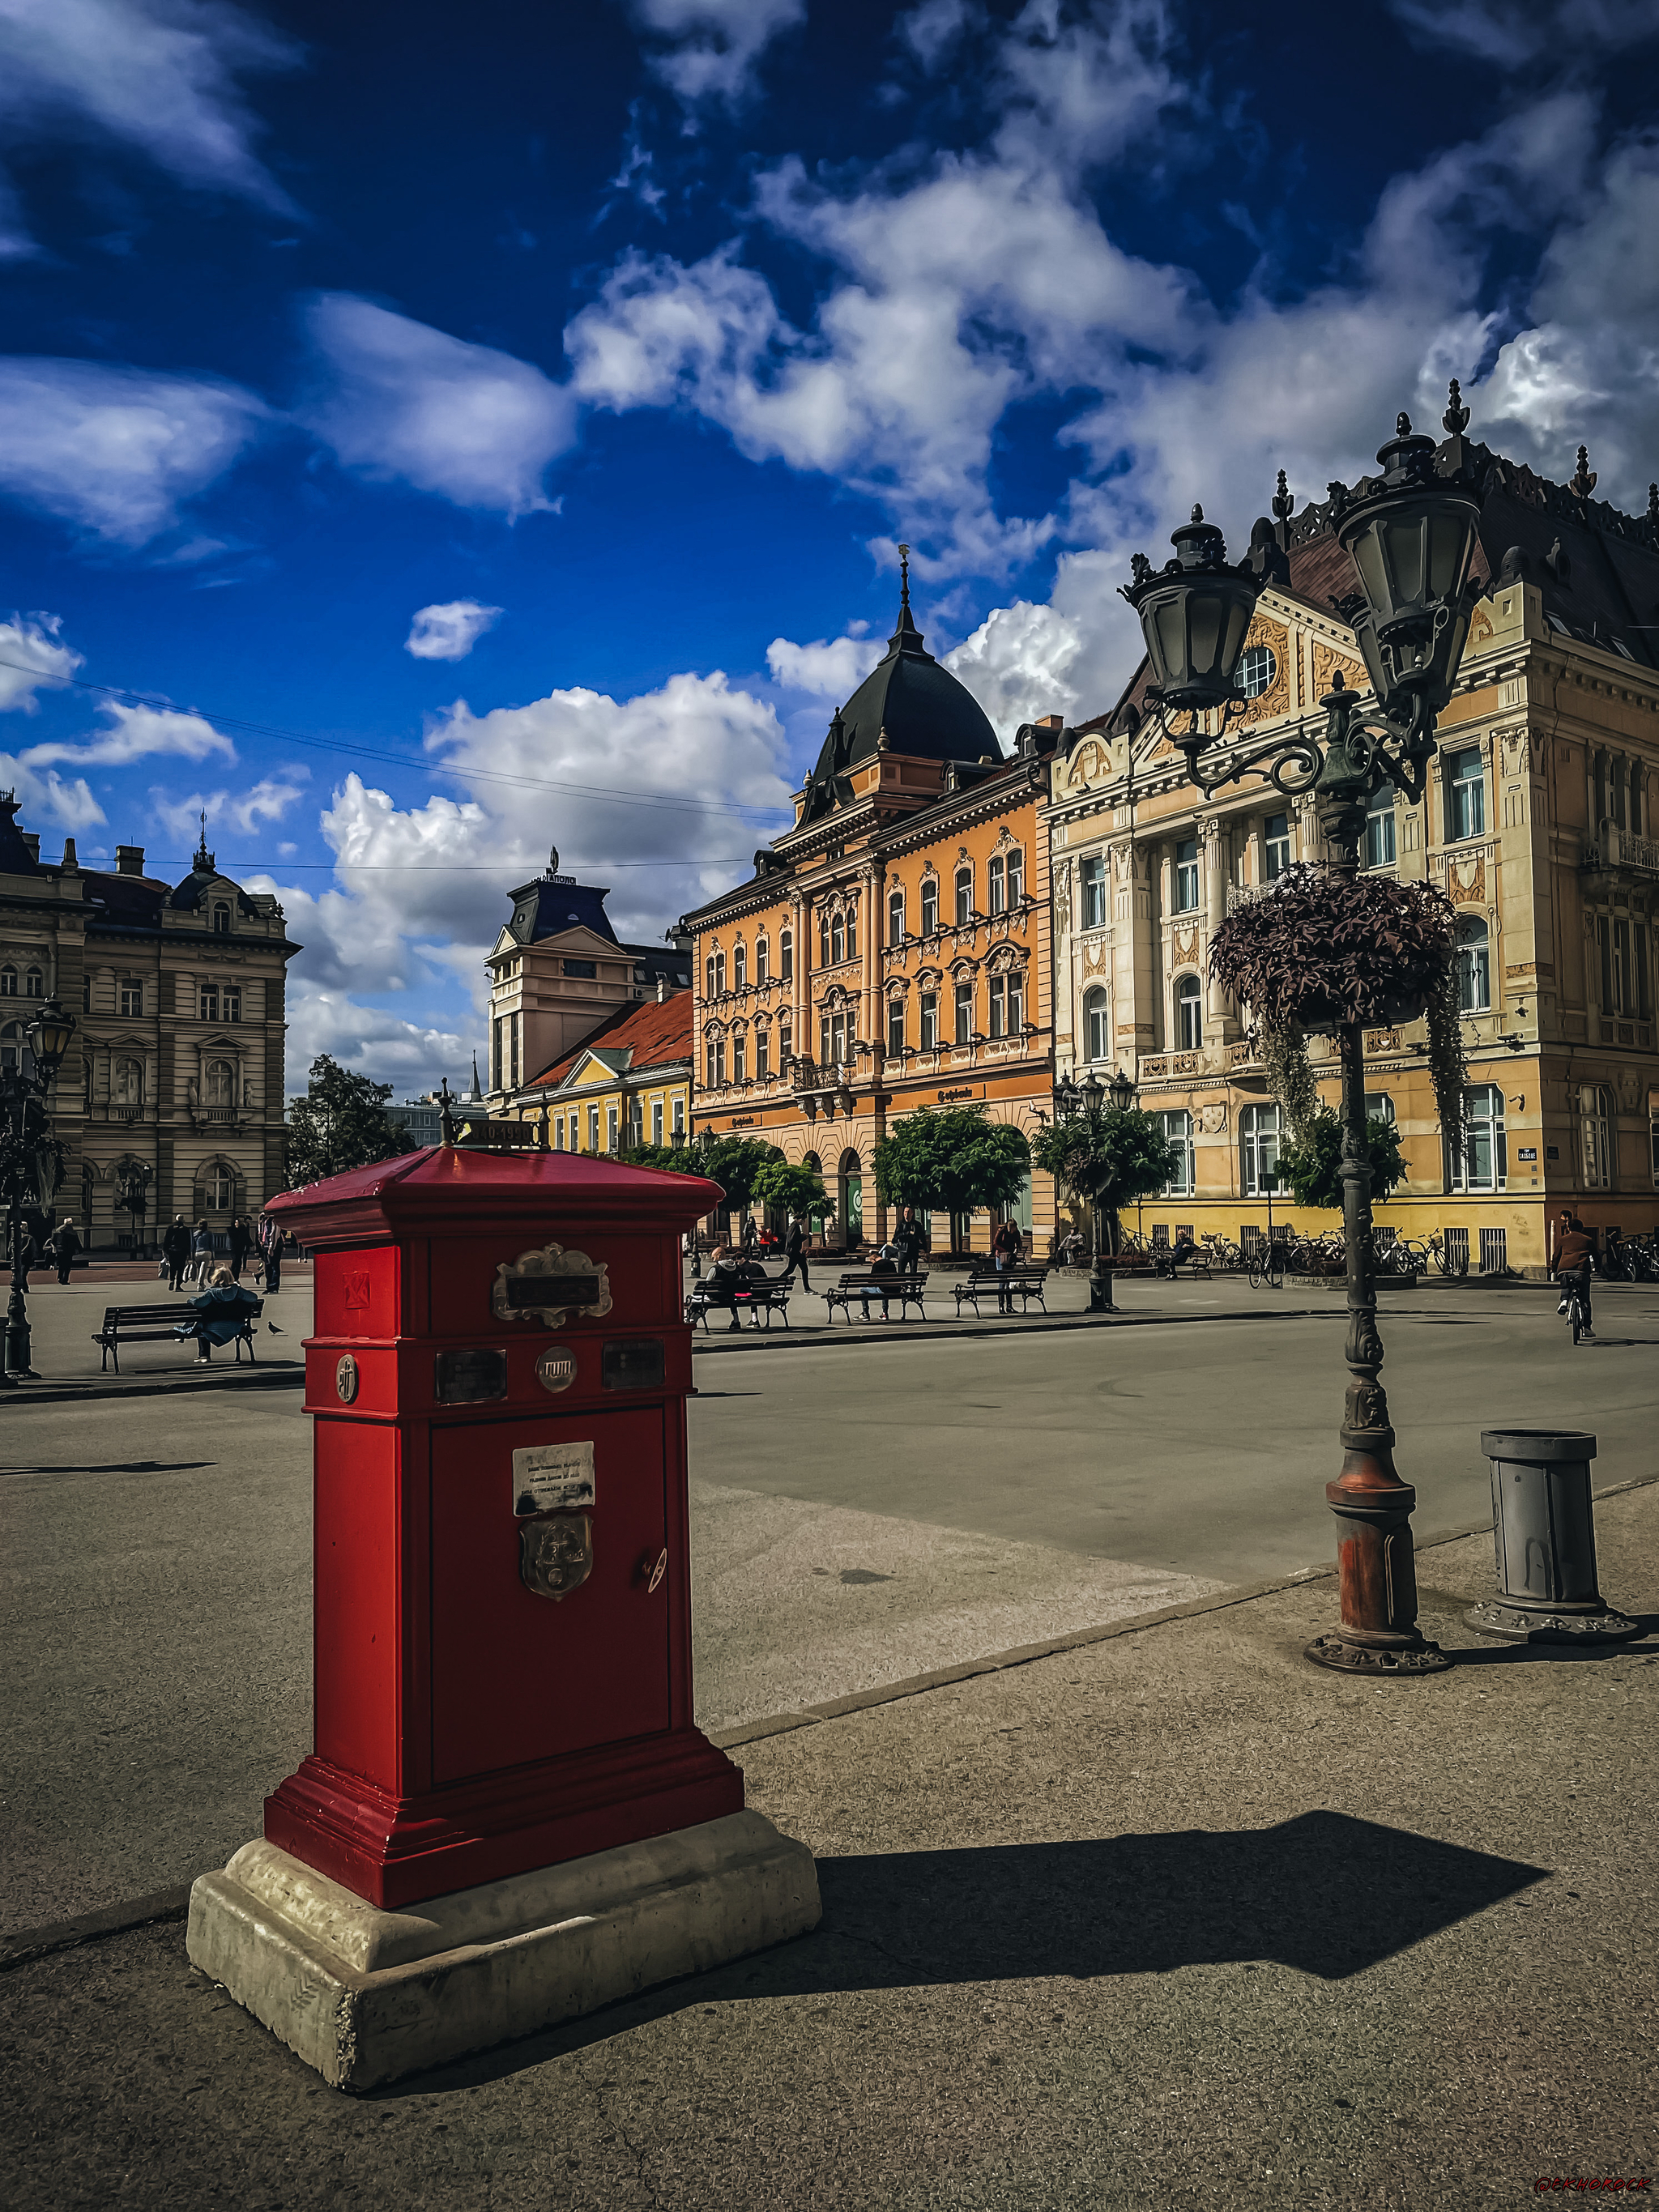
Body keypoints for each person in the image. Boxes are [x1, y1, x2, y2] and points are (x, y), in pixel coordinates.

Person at [175, 1264, 262, 1366]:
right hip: (236, 1326)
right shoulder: (238, 1291)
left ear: (214, 1279)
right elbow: (253, 1298)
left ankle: (204, 1355)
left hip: (214, 1328)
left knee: (201, 1322)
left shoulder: (211, 1293)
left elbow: (199, 1304)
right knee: (201, 1321)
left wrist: (191, 1299)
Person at [1550, 1209, 1597, 1339]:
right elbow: (1596, 1256)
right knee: (1585, 1300)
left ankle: (1564, 1301)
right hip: (1582, 1270)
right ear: (1582, 1228)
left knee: (1566, 1285)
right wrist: (1597, 1269)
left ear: (1568, 1227)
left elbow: (1556, 1256)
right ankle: (1587, 1328)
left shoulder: (1563, 1239)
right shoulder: (1588, 1240)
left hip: (1564, 1269)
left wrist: (1553, 1269)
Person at [859, 1243, 900, 1321]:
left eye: (871, 1261)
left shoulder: (877, 1265)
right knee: (885, 1288)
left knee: (863, 1290)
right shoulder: (891, 1263)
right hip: (895, 1289)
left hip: (883, 1290)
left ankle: (865, 1313)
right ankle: (885, 1313)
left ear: (874, 1258)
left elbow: (871, 1279)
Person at [992, 1216, 1022, 1313]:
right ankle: (1001, 1306)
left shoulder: (1016, 1233)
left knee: (1008, 1282)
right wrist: (1004, 1251)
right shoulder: (1002, 1231)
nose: (1015, 1230)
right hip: (1001, 1257)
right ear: (1010, 1226)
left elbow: (1019, 1243)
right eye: (1014, 1228)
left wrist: (1017, 1248)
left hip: (1010, 1258)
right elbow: (995, 1243)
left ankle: (1009, 1306)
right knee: (1002, 1282)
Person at [893, 1205, 928, 1278]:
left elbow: (922, 1237)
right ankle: (902, 1287)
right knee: (901, 1271)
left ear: (912, 1214)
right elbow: (896, 1237)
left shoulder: (917, 1225)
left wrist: (925, 1249)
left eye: (908, 1212)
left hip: (913, 1250)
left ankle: (913, 1288)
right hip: (903, 1251)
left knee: (913, 1271)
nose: (907, 1214)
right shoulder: (900, 1224)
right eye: (905, 1212)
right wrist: (907, 1233)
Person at [783, 1215, 811, 1294]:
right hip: (795, 1252)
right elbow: (793, 1240)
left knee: (790, 1269)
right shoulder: (795, 1227)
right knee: (804, 1269)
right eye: (802, 1220)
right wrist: (804, 1237)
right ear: (798, 1219)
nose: (803, 1221)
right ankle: (807, 1289)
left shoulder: (792, 1226)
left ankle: (776, 1282)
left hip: (793, 1252)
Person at [162, 1214, 191, 1293]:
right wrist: (188, 1253)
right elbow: (188, 1241)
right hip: (182, 1251)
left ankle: (172, 1280)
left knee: (173, 1267)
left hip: (172, 1251)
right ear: (183, 1220)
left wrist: (164, 1250)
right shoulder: (186, 1229)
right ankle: (178, 1286)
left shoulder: (170, 1228)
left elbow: (166, 1239)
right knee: (181, 1269)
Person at [48, 1217, 82, 1285]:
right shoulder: (72, 1231)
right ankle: (65, 1279)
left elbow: (53, 1241)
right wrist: (80, 1249)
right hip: (69, 1250)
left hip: (59, 1250)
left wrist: (55, 1248)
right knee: (67, 1266)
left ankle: (59, 1277)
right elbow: (76, 1242)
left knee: (61, 1265)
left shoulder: (57, 1231)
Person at [188, 1218, 214, 1286]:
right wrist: (213, 1254)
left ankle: (201, 1283)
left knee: (200, 1268)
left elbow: (192, 1245)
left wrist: (192, 1255)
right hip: (206, 1252)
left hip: (197, 1253)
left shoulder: (195, 1234)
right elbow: (211, 1245)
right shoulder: (209, 1233)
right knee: (203, 1269)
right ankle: (200, 1283)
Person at [228, 1215, 253, 1280]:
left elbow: (246, 1236)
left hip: (240, 1248)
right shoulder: (231, 1230)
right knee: (235, 1261)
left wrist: (250, 1243)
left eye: (238, 1223)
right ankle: (233, 1276)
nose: (237, 1224)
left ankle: (236, 1277)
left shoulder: (243, 1229)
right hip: (234, 1248)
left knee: (239, 1262)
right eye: (236, 1223)